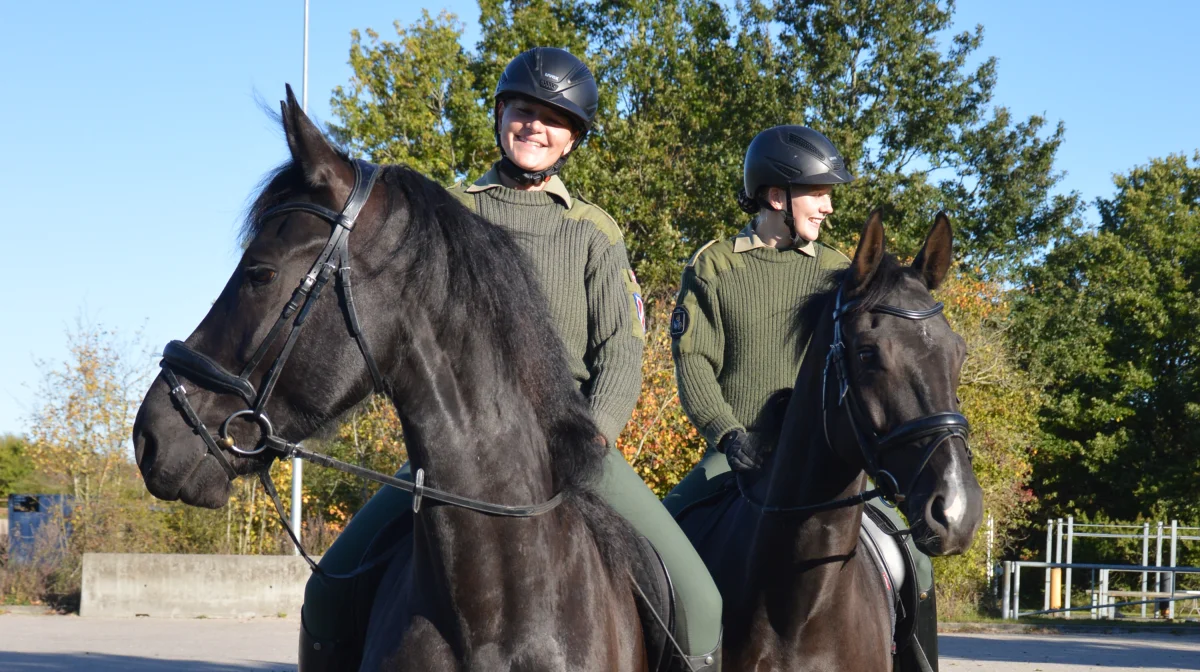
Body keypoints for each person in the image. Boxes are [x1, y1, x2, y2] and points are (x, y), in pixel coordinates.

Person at [300, 47, 722, 672]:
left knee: (700, 602)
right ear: (500, 115)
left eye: (554, 119)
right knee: (329, 589)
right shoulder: (449, 215)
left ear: (571, 140)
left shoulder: (593, 232)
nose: (535, 126)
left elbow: (622, 350)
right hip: (453, 448)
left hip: (572, 444)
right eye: (524, 110)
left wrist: (593, 435)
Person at [663, 125, 940, 667]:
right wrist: (727, 432)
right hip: (736, 454)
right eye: (820, 193)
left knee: (914, 561)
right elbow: (694, 362)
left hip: (826, 461)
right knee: (661, 546)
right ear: (776, 197)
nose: (830, 207)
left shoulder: (843, 272)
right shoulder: (716, 266)